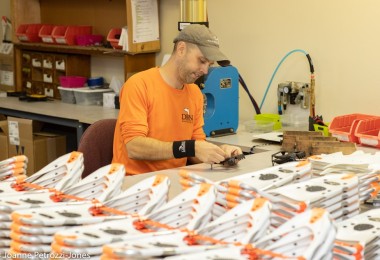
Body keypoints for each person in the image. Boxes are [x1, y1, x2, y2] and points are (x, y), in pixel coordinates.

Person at [112, 24, 243, 175]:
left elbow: (195, 151)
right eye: (201, 61)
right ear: (181, 49)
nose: (205, 70)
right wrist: (190, 147)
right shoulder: (139, 85)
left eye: (209, 64)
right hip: (134, 184)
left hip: (174, 181)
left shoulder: (194, 94)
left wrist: (220, 153)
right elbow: (134, 147)